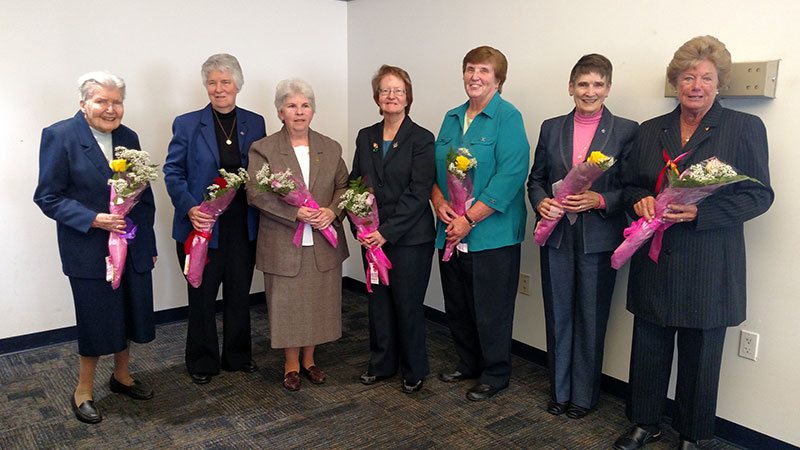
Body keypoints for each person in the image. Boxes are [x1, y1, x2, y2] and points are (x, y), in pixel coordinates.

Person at [612, 36, 773, 450]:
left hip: (709, 262)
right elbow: (630, 185)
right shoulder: (651, 130)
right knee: (649, 343)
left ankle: (692, 433)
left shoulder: (743, 128)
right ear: (675, 82)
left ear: (719, 83)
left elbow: (759, 195)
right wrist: (639, 200)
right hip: (656, 259)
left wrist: (702, 214)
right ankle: (644, 422)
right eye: (687, 77)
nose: (695, 85)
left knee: (701, 354)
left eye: (705, 77)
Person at [33, 71, 157, 424]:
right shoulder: (60, 136)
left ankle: (122, 376)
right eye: (102, 101)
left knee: (129, 312)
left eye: (117, 101)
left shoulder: (128, 137)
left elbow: (143, 196)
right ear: (83, 103)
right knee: (96, 319)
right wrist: (94, 219)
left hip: (130, 244)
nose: (110, 109)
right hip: (88, 248)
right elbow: (47, 197)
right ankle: (83, 390)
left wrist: (146, 244)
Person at [527, 54, 638, 419]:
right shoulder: (551, 127)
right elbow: (536, 179)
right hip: (556, 235)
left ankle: (584, 396)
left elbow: (632, 188)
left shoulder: (626, 130)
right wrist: (541, 202)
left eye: (598, 85)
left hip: (599, 238)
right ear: (571, 87)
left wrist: (600, 199)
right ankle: (559, 391)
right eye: (583, 84)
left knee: (591, 318)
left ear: (608, 88)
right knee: (558, 314)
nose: (590, 92)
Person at [430, 46, 530, 401]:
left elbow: (511, 175)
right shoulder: (452, 117)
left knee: (491, 309)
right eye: (470, 69)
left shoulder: (508, 117)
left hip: (492, 234)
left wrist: (469, 219)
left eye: (484, 70)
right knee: (458, 304)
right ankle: (468, 362)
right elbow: (434, 170)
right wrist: (439, 201)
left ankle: (495, 372)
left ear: (498, 79)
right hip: (450, 231)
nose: (475, 76)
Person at [163, 53, 266, 385]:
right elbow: (172, 172)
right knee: (202, 297)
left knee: (239, 295)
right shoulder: (187, 123)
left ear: (238, 84)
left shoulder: (256, 122)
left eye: (225, 81)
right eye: (212, 82)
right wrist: (190, 207)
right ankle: (202, 361)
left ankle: (237, 356)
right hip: (201, 227)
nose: (219, 88)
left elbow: (261, 171)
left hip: (242, 226)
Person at [247, 79, 349, 391]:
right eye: (292, 106)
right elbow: (256, 193)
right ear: (280, 112)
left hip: (322, 240)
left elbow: (344, 186)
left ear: (313, 111)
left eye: (305, 106)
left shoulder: (330, 147)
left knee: (318, 302)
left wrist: (332, 211)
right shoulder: (264, 149)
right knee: (287, 305)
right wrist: (296, 213)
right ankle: (290, 363)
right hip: (283, 242)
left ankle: (310, 360)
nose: (299, 111)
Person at [350, 65, 436, 394]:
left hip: (410, 238)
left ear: (407, 97)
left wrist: (385, 231)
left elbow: (418, 192)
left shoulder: (422, 138)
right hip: (371, 236)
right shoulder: (366, 136)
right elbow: (356, 182)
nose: (391, 96)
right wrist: (361, 223)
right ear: (377, 97)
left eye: (398, 90)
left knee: (407, 303)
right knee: (378, 302)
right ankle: (382, 363)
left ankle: (414, 368)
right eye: (385, 90)